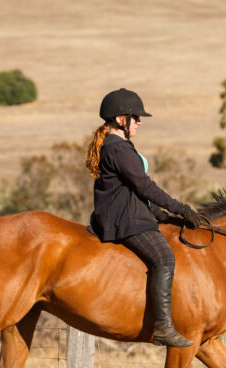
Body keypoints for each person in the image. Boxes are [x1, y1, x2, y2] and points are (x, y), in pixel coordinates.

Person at [86, 88, 203, 348]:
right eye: (135, 117)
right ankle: (162, 327)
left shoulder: (119, 146)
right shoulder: (118, 149)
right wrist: (180, 208)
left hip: (131, 214)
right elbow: (144, 186)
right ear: (120, 119)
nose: (139, 122)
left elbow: (130, 193)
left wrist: (160, 214)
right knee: (164, 257)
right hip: (124, 222)